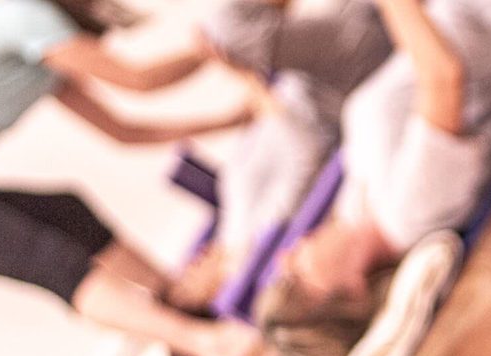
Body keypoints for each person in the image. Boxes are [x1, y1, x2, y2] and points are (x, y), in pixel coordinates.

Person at [253, 0, 491, 356]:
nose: (285, 257)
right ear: (352, 294)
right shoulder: (410, 214)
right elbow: (443, 76)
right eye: (296, 277)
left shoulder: (357, 209)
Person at [0, 0, 261, 356]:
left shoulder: (46, 55)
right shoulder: (25, 16)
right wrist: (212, 46)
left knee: (66, 211)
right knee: (49, 261)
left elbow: (124, 132)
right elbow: (139, 80)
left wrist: (229, 121)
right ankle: (205, 343)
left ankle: (175, 297)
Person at [162, 0, 395, 313]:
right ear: (213, 298)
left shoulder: (231, 229)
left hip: (305, 79)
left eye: (182, 273)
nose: (191, 265)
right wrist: (248, 81)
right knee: (225, 30)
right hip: (331, 88)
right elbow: (306, 156)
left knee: (225, 31)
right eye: (189, 284)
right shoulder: (254, 243)